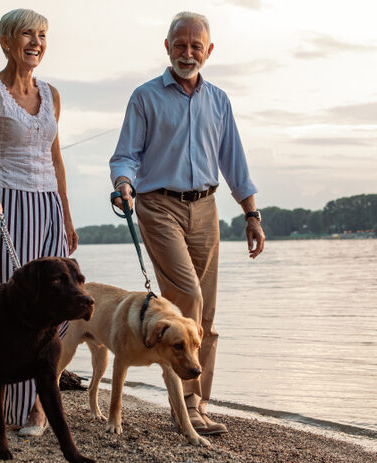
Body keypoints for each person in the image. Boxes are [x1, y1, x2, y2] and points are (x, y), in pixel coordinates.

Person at [109, 11, 265, 436]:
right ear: (167, 47)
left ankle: (200, 401)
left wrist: (251, 214)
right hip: (158, 205)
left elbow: (234, 161)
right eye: (180, 44)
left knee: (206, 317)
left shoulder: (218, 100)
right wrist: (123, 183)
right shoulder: (145, 97)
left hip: (206, 208)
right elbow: (126, 155)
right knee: (189, 297)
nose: (188, 52)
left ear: (209, 51)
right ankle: (188, 408)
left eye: (197, 46)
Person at [0, 8, 77, 437]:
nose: (37, 42)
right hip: (5, 203)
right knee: (7, 307)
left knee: (60, 306)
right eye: (28, 35)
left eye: (43, 35)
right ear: (7, 42)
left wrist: (67, 213)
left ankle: (34, 402)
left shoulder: (52, 94)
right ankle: (7, 406)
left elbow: (55, 156)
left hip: (48, 206)